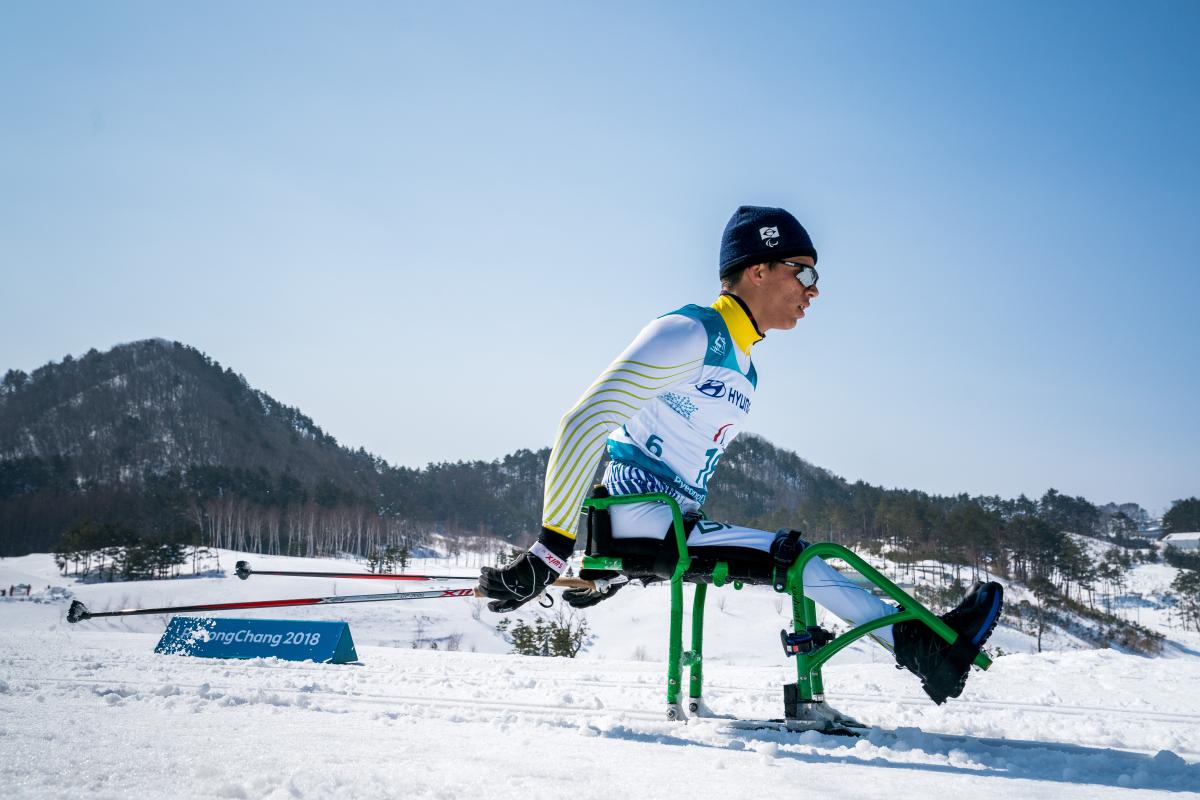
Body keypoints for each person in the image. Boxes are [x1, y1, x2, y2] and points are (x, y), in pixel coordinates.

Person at [478, 205, 1002, 705]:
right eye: (802, 272)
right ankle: (924, 646)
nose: (813, 289)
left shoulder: (746, 367)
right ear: (757, 270)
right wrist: (551, 550)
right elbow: (585, 422)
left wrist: (619, 568)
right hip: (646, 515)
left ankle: (922, 642)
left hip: (669, 521)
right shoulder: (691, 333)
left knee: (802, 556)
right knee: (799, 558)